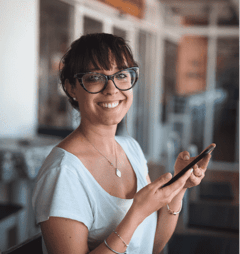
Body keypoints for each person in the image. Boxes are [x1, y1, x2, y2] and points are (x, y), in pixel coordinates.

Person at [32, 33, 212, 254]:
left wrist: (179, 188)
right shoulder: (63, 173)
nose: (112, 89)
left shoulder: (130, 148)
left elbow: (153, 245)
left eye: (122, 75)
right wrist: (136, 213)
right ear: (71, 88)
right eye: (95, 77)